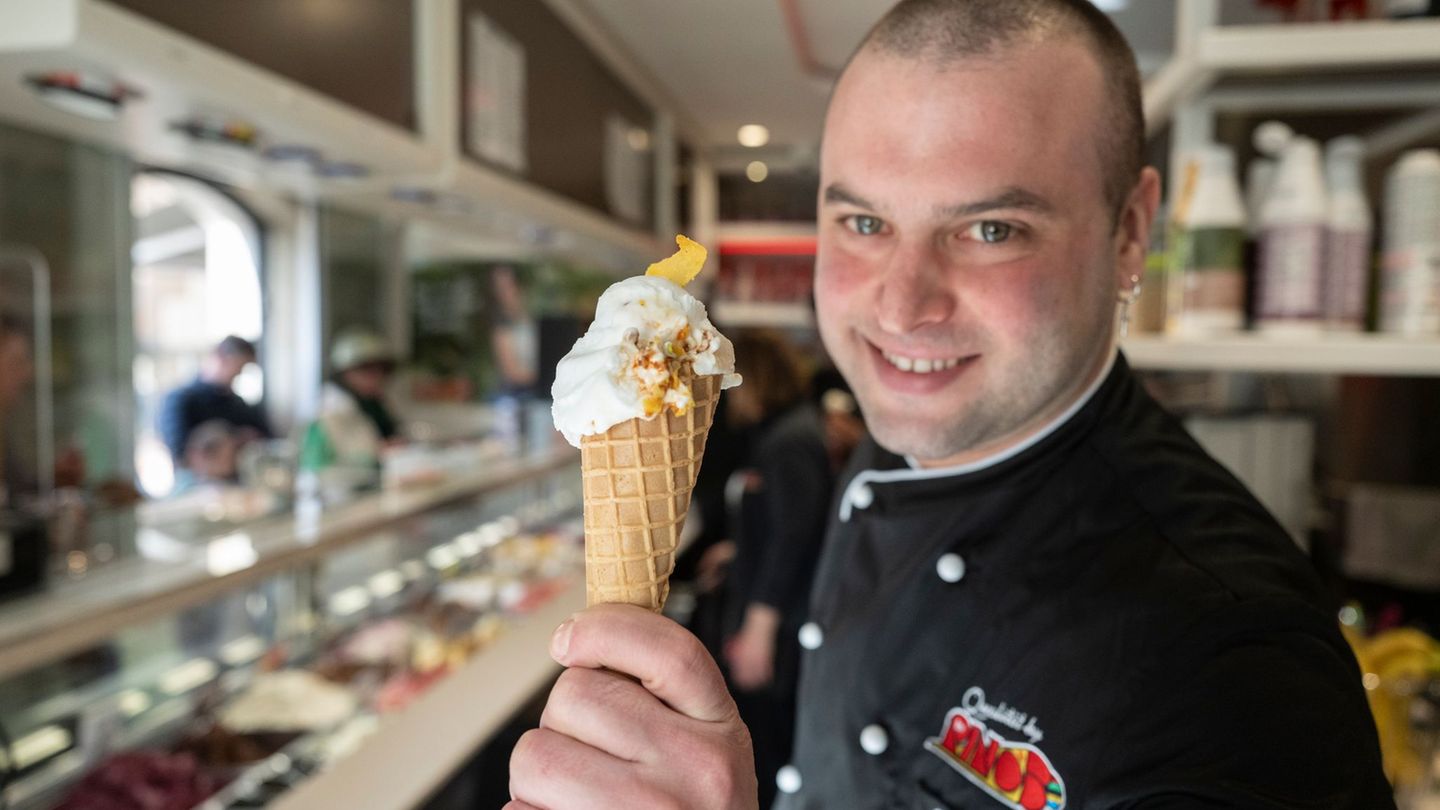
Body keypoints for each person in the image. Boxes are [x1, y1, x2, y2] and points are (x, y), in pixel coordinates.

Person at [507, 1, 1393, 808]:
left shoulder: (1234, 666)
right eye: (863, 223)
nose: (899, 309)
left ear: (1131, 232)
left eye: (991, 230)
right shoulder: (910, 427)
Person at [708, 330, 833, 809]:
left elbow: (794, 539)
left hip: (778, 625)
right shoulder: (791, 431)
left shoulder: (788, 442)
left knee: (762, 741)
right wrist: (737, 554)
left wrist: (758, 630)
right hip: (774, 608)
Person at [299, 329, 401, 493]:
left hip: (375, 487)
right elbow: (316, 465)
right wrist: (379, 451)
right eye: (366, 371)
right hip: (339, 493)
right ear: (346, 373)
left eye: (380, 371)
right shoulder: (330, 409)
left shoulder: (372, 403)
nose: (376, 377)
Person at [159, 336, 270, 475]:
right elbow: (180, 453)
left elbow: (267, 440)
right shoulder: (180, 401)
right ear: (221, 358)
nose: (239, 374)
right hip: (196, 484)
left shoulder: (239, 405)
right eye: (238, 367)